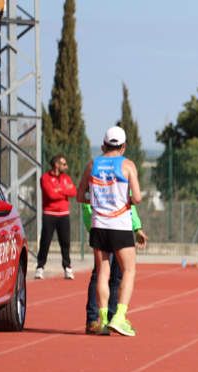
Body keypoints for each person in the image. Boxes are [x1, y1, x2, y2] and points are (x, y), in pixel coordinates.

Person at [76, 126, 142, 337]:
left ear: (104, 145)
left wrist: (95, 200)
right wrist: (124, 199)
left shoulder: (92, 164)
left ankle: (102, 319)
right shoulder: (128, 165)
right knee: (129, 271)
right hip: (120, 225)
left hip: (99, 225)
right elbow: (138, 198)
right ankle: (120, 316)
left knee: (102, 273)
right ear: (123, 147)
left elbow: (79, 195)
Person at [83, 202, 147, 334]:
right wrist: (93, 223)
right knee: (101, 274)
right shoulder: (95, 180)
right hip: (105, 226)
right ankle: (94, 319)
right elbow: (135, 198)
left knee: (117, 275)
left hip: (119, 226)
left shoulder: (123, 181)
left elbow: (130, 203)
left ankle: (113, 318)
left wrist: (136, 226)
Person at [35, 154, 77, 280]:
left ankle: (67, 267)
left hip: (64, 215)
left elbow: (74, 191)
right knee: (45, 242)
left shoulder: (66, 178)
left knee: (65, 242)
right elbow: (51, 195)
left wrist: (60, 189)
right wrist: (64, 191)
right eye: (64, 164)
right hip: (50, 214)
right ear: (57, 165)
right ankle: (40, 267)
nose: (66, 166)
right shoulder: (45, 178)